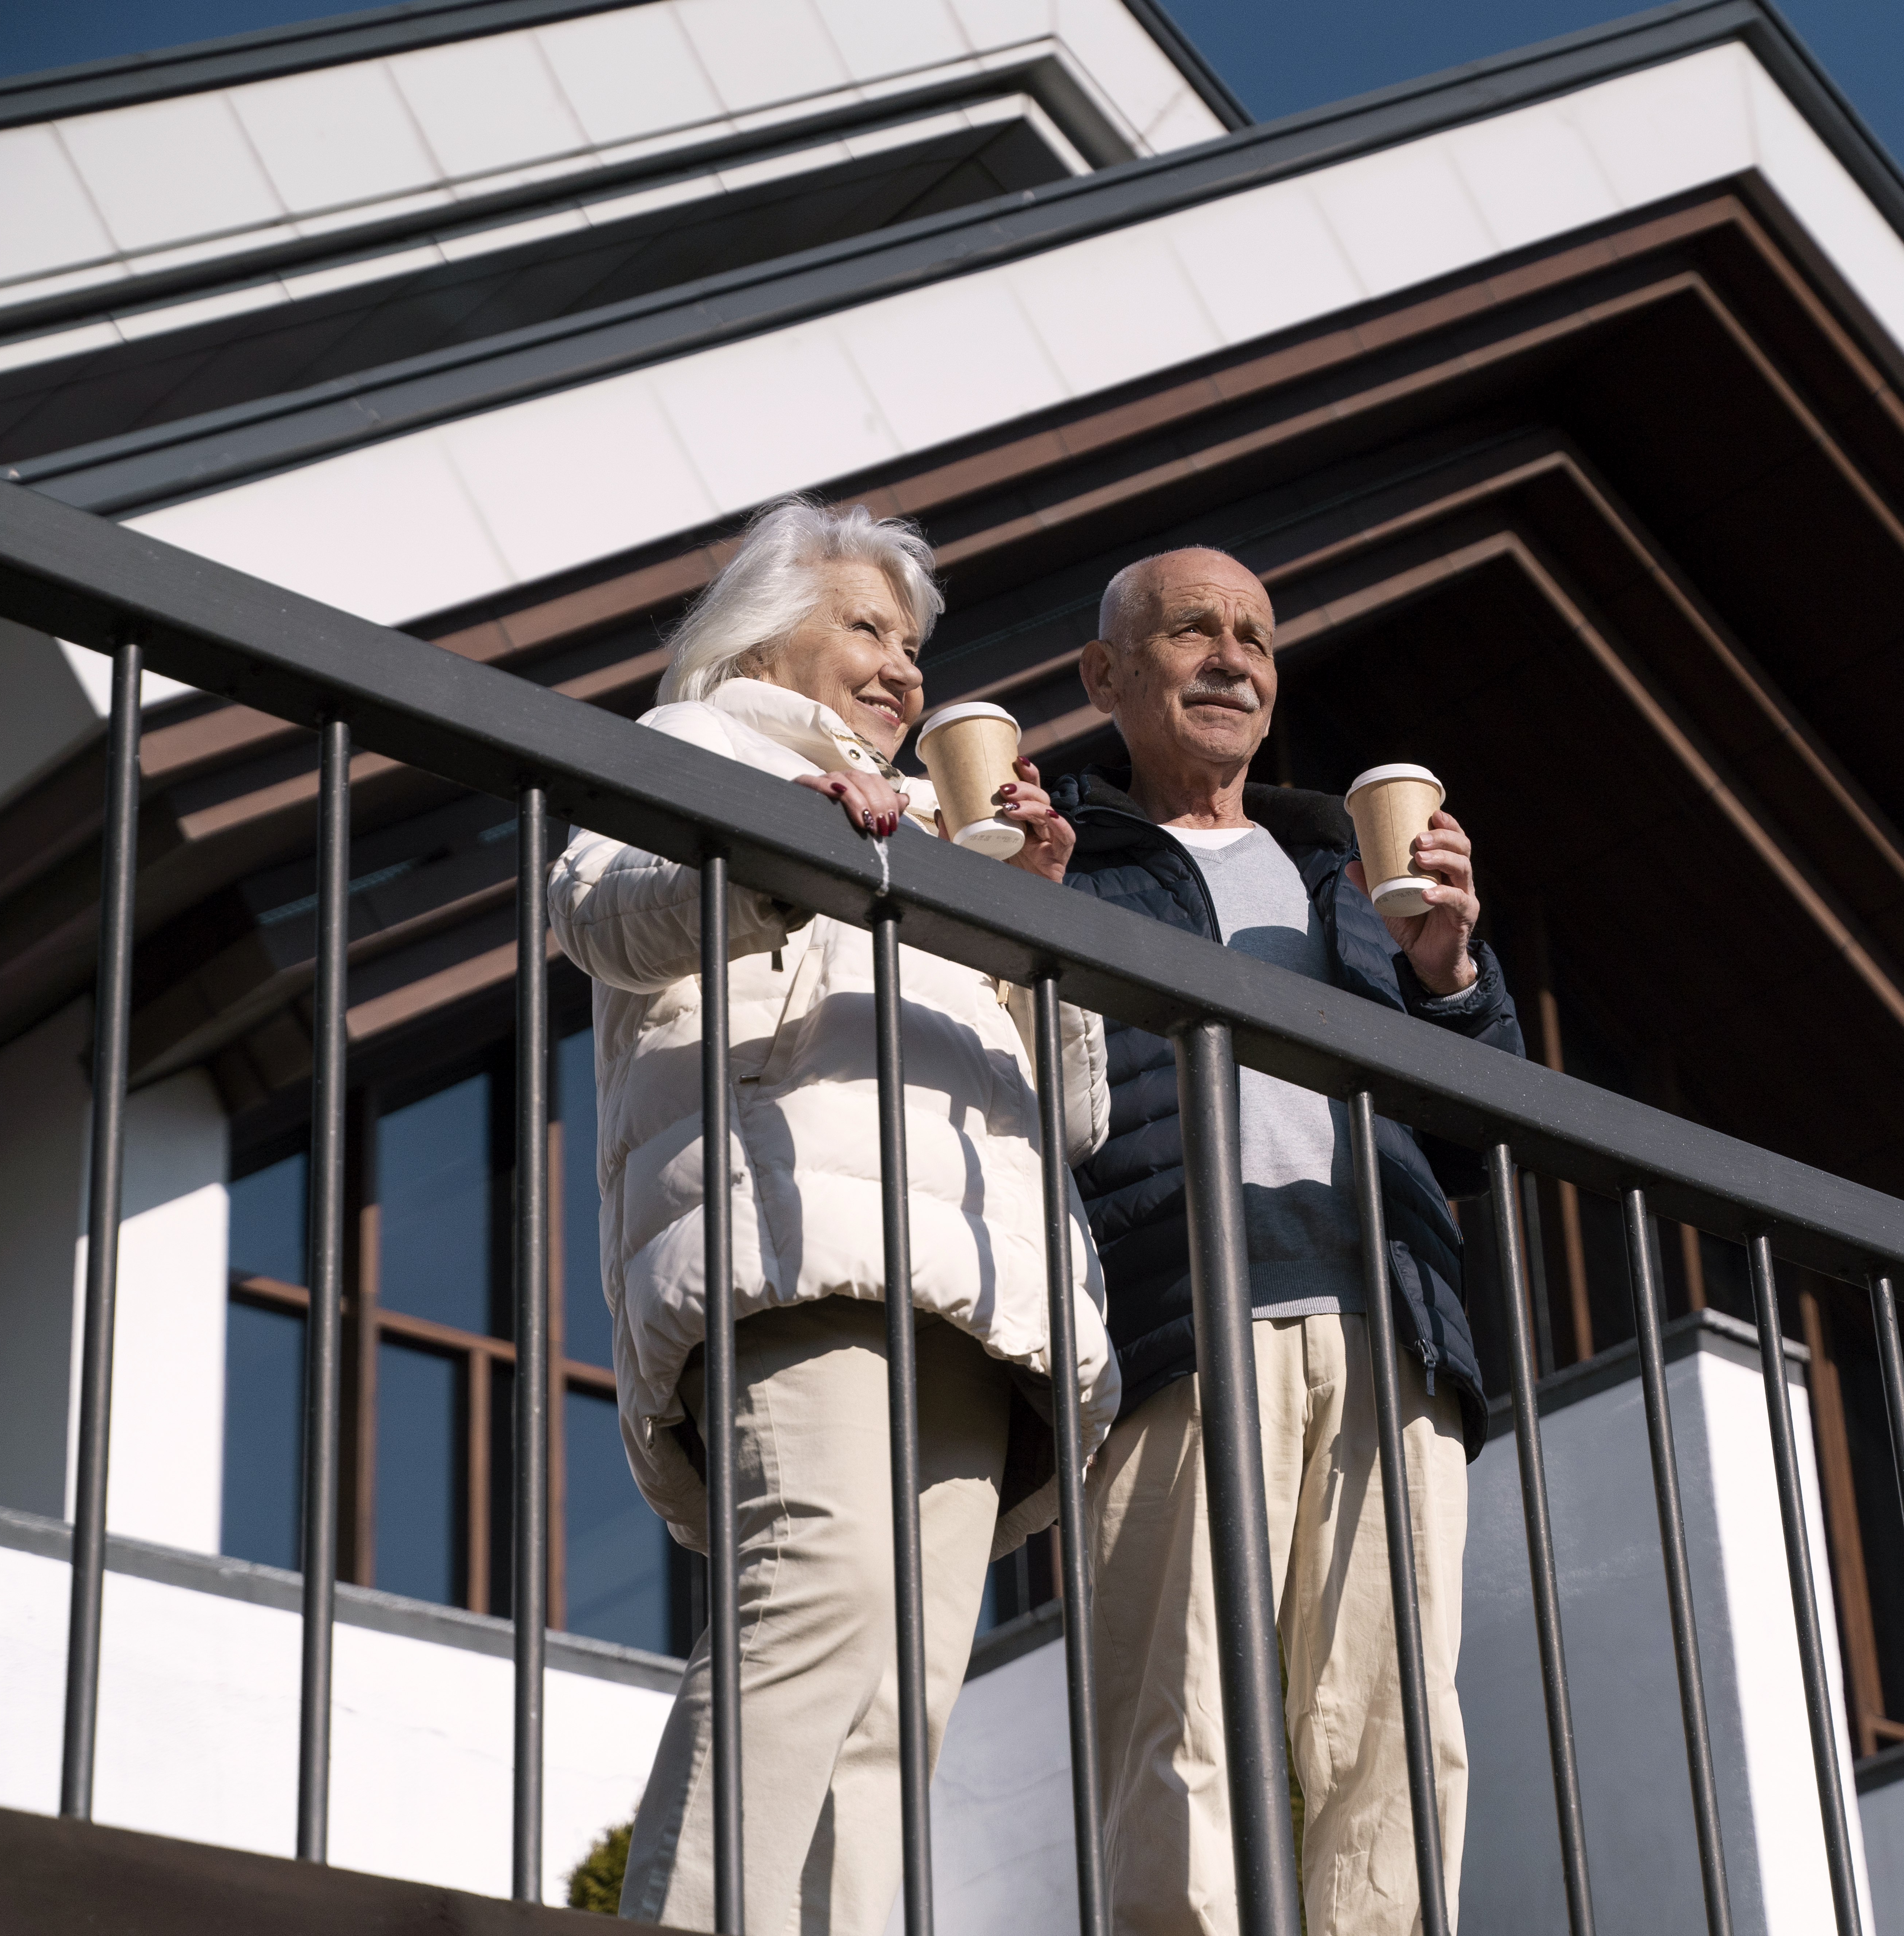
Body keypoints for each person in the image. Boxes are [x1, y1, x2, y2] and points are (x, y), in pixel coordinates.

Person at [549, 496, 1116, 1934]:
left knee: (900, 1694)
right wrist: (783, 862)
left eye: (914, 642)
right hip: (793, 1238)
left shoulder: (946, 825)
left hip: (978, 1281)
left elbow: (1081, 1110)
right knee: (817, 1586)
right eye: (867, 625)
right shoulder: (697, 748)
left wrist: (1039, 923)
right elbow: (599, 920)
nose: (904, 668)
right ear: (765, 631)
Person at [1047, 547, 1525, 1935]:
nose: (1233, 657)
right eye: (1192, 630)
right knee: (1182, 1724)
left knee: (1397, 1742)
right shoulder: (1067, 865)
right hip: (1176, 1325)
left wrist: (1448, 976)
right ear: (1105, 677)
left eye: (1255, 636)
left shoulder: (1341, 869)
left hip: (1390, 1325)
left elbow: (1463, 1141)